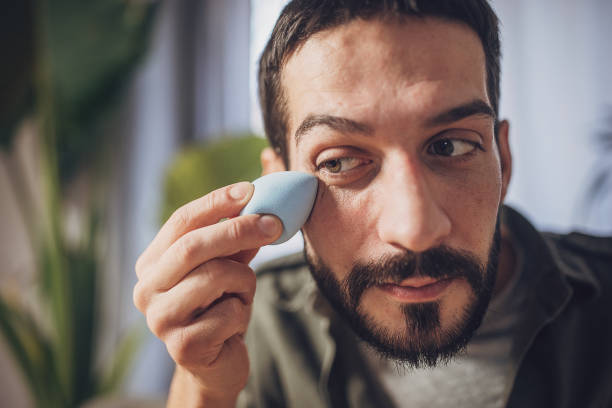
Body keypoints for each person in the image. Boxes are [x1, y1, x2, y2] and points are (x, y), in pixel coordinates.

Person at [133, 0, 612, 406]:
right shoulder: (256, 328)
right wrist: (204, 388)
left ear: (503, 159)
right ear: (277, 183)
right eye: (340, 162)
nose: (414, 229)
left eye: (450, 146)